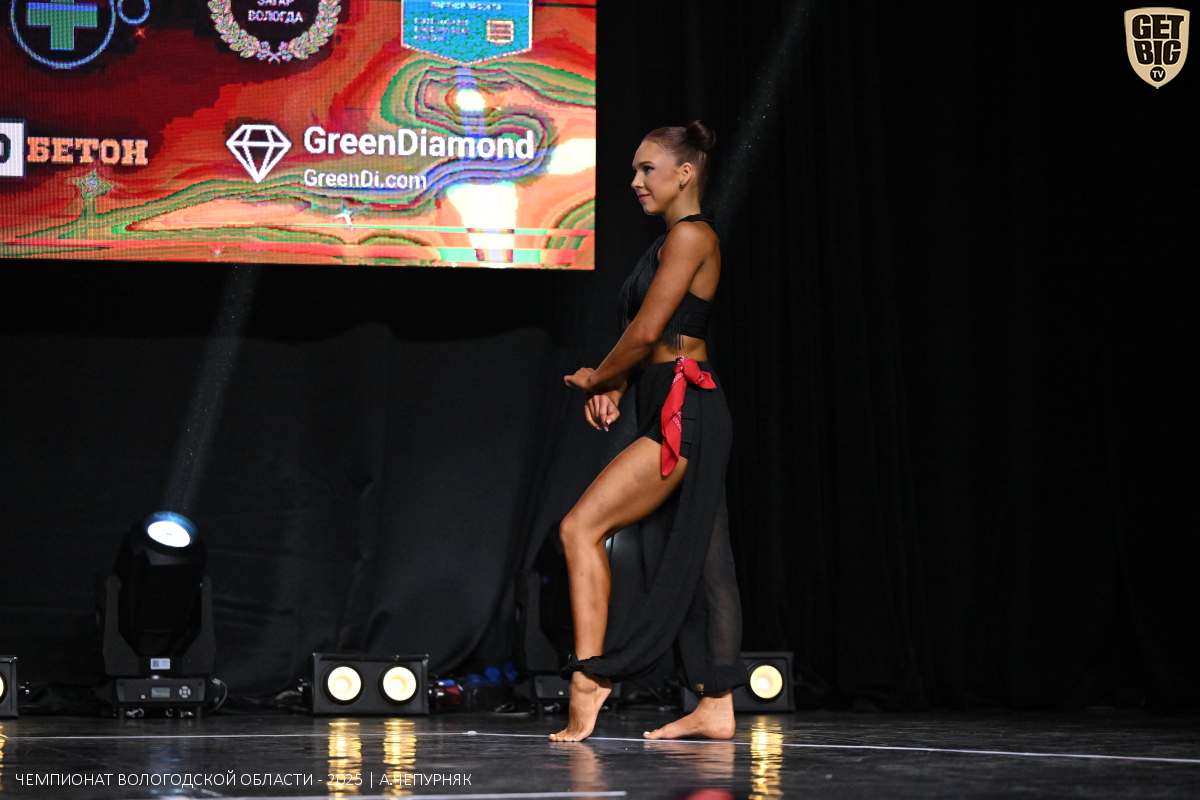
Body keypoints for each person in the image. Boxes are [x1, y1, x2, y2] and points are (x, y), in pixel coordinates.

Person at [552, 121, 748, 742]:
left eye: (647, 169)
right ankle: (716, 704)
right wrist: (616, 387)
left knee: (580, 528)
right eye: (634, 171)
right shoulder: (669, 242)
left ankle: (590, 676)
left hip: (687, 407)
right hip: (671, 399)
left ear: (685, 173)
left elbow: (645, 333)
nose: (635, 181)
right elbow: (655, 340)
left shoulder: (691, 235)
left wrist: (596, 377)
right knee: (706, 558)